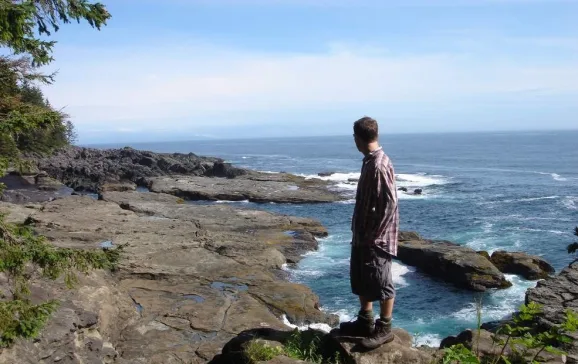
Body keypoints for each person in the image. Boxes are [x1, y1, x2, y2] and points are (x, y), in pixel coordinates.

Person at [339, 116, 399, 349]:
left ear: (358, 138)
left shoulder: (379, 164)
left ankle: (385, 329)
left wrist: (376, 234)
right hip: (363, 235)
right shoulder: (370, 161)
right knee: (362, 277)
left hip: (376, 239)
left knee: (382, 281)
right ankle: (365, 322)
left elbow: (390, 203)